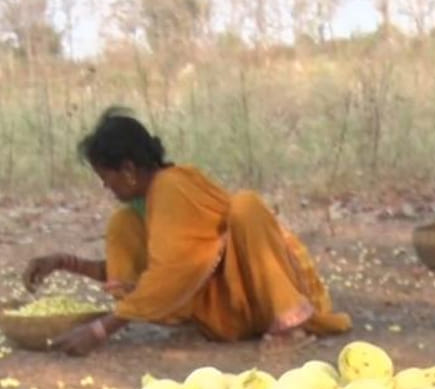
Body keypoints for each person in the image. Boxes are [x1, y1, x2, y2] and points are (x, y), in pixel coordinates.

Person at [23, 108, 351, 356]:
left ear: (128, 169)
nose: (104, 185)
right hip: (224, 316)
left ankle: (290, 324)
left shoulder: (173, 188)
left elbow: (172, 272)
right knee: (121, 224)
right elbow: (150, 275)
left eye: (105, 175)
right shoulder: (138, 211)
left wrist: (100, 330)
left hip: (255, 297)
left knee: (246, 205)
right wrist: (65, 262)